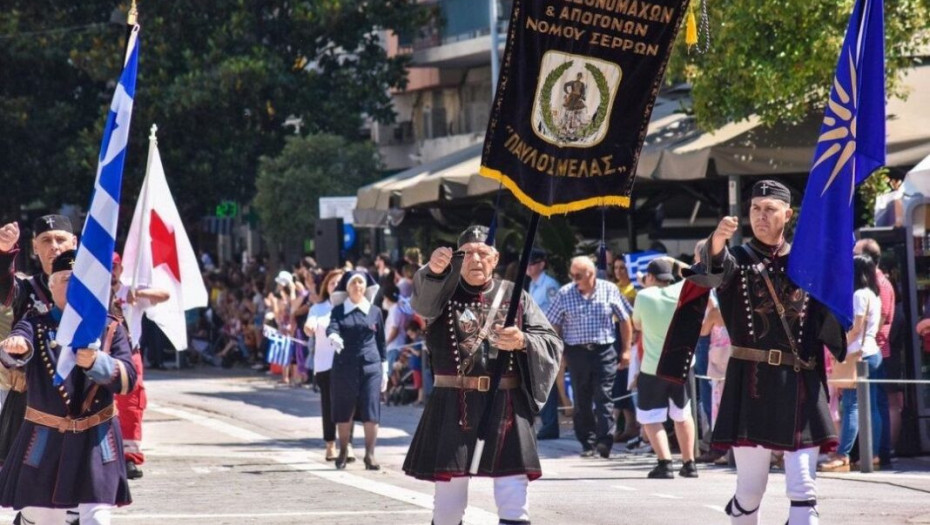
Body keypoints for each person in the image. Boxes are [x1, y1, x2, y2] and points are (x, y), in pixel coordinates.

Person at [664, 180, 847, 524]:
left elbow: (835, 310)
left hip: (802, 384)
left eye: (770, 209)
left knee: (804, 490)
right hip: (752, 384)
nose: (761, 216)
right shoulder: (739, 262)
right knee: (750, 491)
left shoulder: (808, 261)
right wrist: (716, 241)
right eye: (755, 209)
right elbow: (713, 271)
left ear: (788, 215)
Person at [402, 225, 562, 525]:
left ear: (495, 257)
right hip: (453, 404)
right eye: (468, 253)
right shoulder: (441, 292)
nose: (476, 259)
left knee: (514, 495)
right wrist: (433, 270)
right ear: (457, 258)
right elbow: (421, 303)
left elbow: (551, 340)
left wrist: (523, 341)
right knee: (448, 503)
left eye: (483, 252)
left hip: (507, 405)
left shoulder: (516, 295)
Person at [0, 249, 136, 524]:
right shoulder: (35, 325)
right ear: (51, 288)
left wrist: (99, 363)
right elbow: (13, 351)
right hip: (45, 438)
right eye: (65, 280)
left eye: (80, 280)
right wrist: (16, 347)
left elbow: (128, 379)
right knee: (42, 516)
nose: (74, 286)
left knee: (96, 517)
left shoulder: (109, 328)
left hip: (96, 439)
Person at [0, 215, 77, 465]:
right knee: (20, 475)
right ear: (34, 246)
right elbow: (5, 291)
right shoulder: (27, 287)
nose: (54, 245)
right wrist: (4, 253)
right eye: (46, 240)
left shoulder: (92, 289)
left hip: (79, 393)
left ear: (74, 242)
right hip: (30, 394)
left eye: (60, 239)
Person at [546, 256, 632, 458]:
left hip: (604, 350)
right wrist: (557, 350)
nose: (574, 279)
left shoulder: (609, 290)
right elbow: (554, 323)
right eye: (572, 275)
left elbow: (625, 319)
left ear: (591, 274)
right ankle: (587, 441)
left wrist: (626, 350)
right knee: (582, 398)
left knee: (604, 396)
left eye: (578, 275)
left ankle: (605, 441)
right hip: (576, 352)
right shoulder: (565, 293)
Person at [630, 258, 698, 478]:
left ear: (650, 278)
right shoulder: (683, 289)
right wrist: (674, 262)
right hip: (682, 364)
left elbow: (637, 324)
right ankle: (689, 463)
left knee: (651, 417)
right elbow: (696, 272)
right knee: (683, 413)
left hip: (653, 366)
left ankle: (665, 462)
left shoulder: (643, 296)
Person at [819, 255, 883, 472]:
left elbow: (855, 328)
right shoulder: (874, 295)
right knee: (871, 406)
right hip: (873, 352)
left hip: (858, 355)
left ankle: (843, 454)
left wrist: (839, 348)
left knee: (852, 405)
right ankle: (872, 454)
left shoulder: (858, 295)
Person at [111, 252, 170, 481]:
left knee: (132, 405)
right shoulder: (93, 292)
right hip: (101, 355)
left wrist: (141, 293)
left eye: (115, 267)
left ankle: (130, 458)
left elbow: (164, 295)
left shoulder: (129, 291)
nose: (111, 272)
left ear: (121, 269)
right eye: (107, 267)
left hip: (128, 354)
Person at [326, 271, 386, 470]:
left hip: (371, 366)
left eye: (361, 282)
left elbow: (381, 342)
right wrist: (334, 336)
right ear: (347, 287)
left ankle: (370, 455)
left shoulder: (375, 311)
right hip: (344, 366)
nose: (357, 286)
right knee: (344, 409)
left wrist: (384, 368)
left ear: (366, 286)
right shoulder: (339, 310)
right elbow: (332, 327)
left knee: (371, 409)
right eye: (353, 283)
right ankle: (343, 450)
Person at [853, 238, 896, 466]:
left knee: (875, 403)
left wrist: (867, 338)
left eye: (856, 254)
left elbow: (883, 319)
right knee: (874, 402)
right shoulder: (873, 283)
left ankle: (878, 451)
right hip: (874, 348)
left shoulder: (878, 284)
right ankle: (877, 450)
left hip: (875, 349)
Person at [303, 269, 347, 462]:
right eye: (332, 283)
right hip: (325, 364)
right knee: (328, 405)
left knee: (348, 406)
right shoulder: (318, 309)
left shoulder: (351, 308)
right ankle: (330, 444)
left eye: (339, 283)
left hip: (347, 363)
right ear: (326, 287)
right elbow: (310, 325)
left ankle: (348, 444)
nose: (335, 286)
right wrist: (309, 327)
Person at [526, 248, 565, 440]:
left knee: (547, 382)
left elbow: (556, 316)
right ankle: (546, 422)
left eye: (531, 263)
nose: (527, 266)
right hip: (534, 338)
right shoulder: (533, 285)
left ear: (541, 264)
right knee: (539, 382)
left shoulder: (549, 285)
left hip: (547, 339)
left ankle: (550, 425)